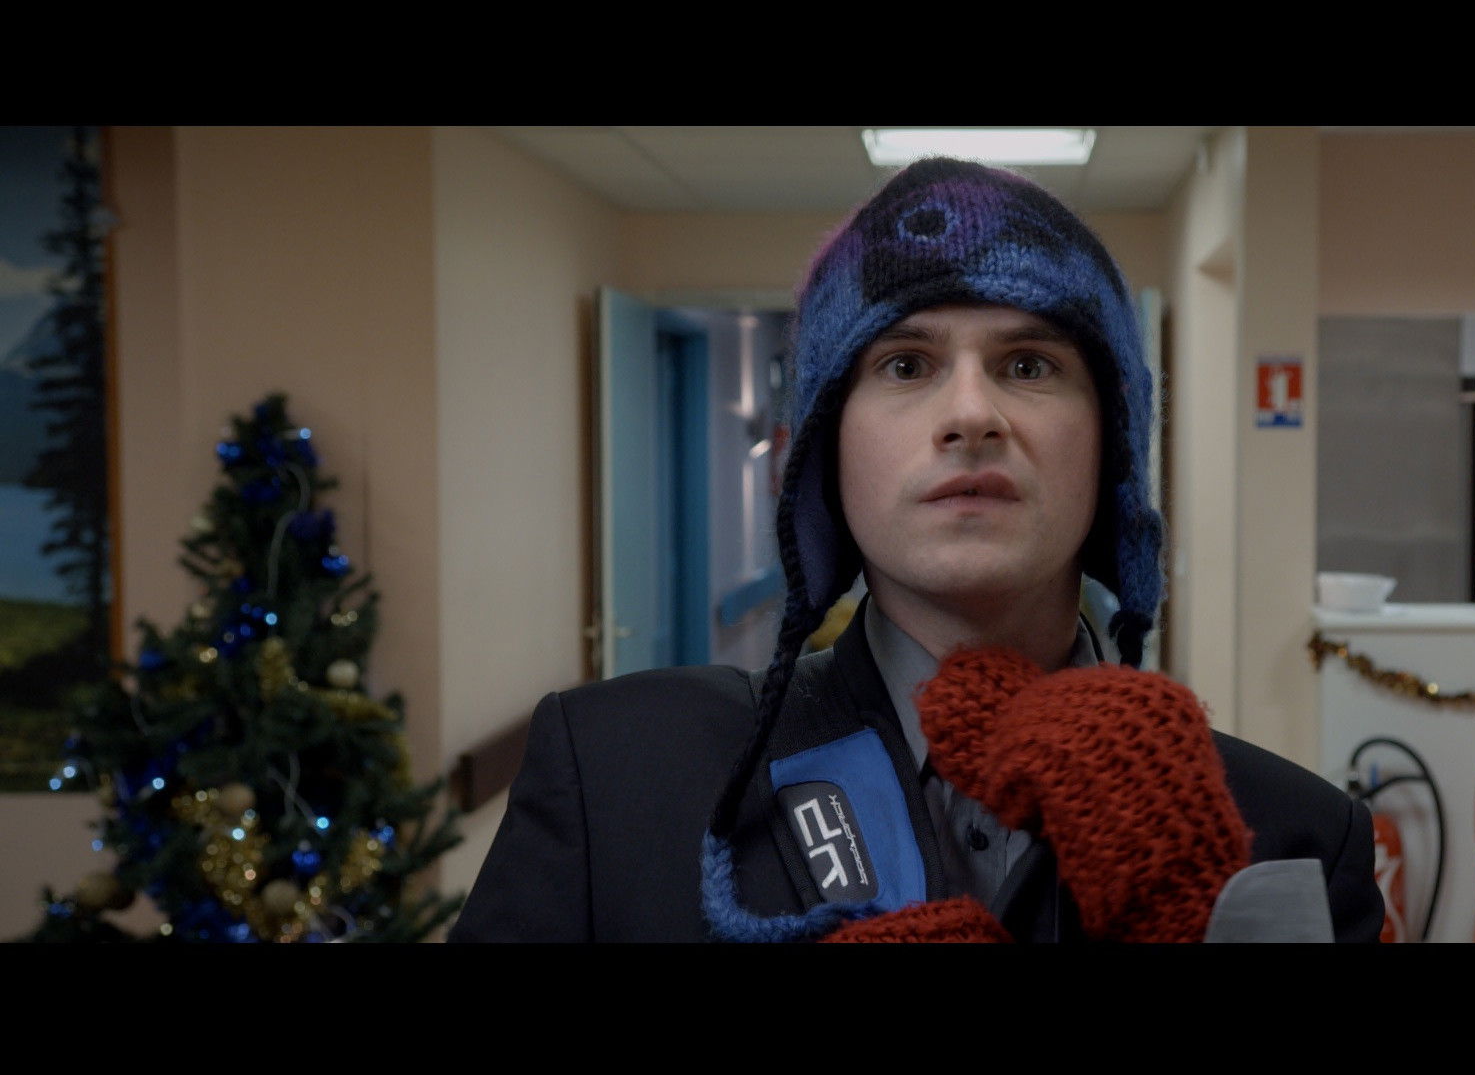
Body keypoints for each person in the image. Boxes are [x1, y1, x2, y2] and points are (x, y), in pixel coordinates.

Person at [449, 157, 1382, 943]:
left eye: (1029, 365)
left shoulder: (1294, 839)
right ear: (829, 448)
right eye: (905, 364)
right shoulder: (618, 776)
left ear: (1112, 445)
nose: (971, 414)